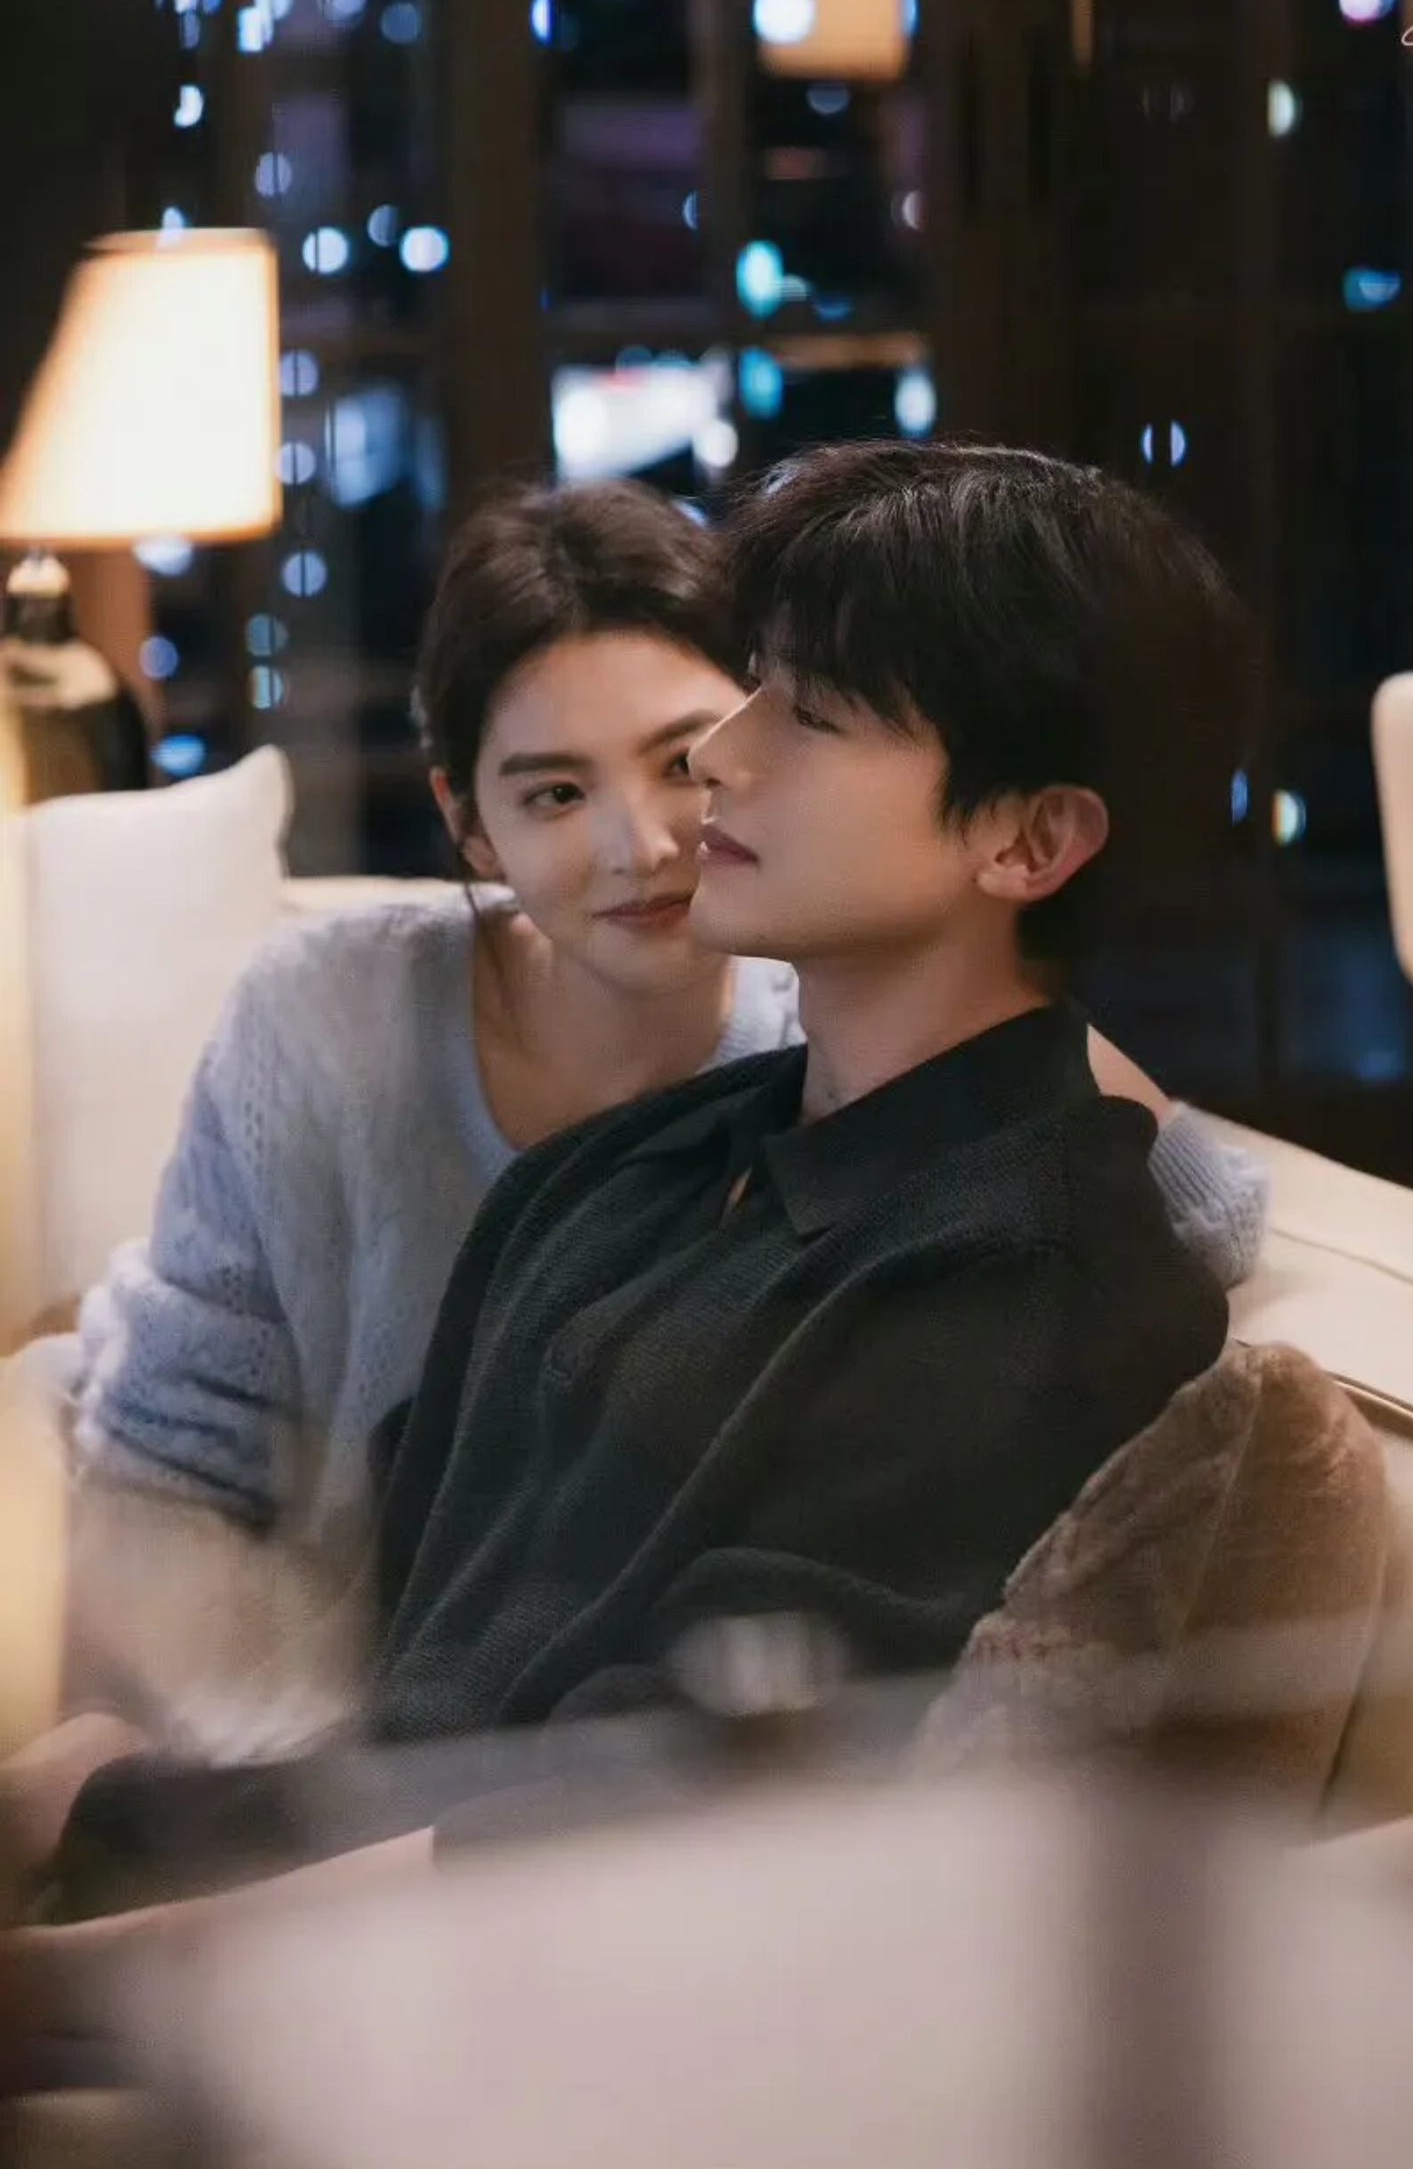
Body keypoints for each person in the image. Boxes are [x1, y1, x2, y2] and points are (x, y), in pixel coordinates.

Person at [24, 439, 1247, 1929]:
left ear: (1029, 835)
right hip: (286, 1862)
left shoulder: (1020, 1271)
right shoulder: (625, 1169)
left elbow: (643, 1819)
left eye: (807, 715)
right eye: (754, 688)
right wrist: (110, 1795)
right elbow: (412, 1674)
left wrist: (98, 1939)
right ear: (467, 819)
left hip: (466, 1981)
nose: (713, 766)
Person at [67, 479, 1263, 1567]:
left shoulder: (829, 1032)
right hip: (255, 1593)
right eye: (555, 792)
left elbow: (1182, 1193)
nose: (640, 847)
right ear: (469, 824)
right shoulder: (328, 1013)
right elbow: (166, 1455)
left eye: (683, 759)